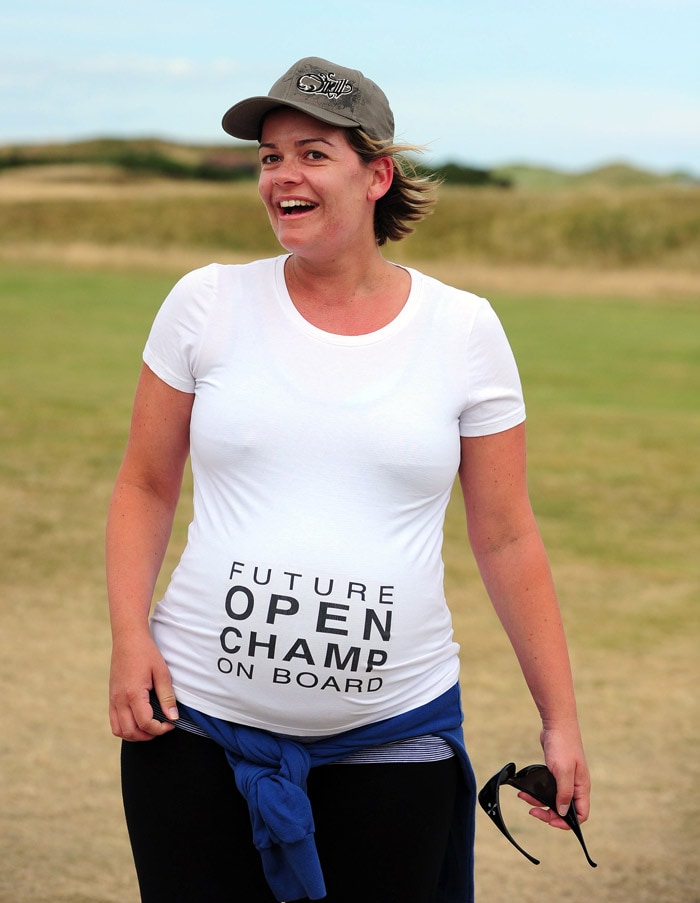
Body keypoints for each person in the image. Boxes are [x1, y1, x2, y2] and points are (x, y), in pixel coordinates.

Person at [106, 56, 591, 903]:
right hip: (194, 734)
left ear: (377, 175)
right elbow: (145, 485)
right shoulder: (206, 302)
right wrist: (127, 638)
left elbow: (506, 531)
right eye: (268, 157)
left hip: (393, 740)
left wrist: (560, 719)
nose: (282, 175)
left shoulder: (463, 329)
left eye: (311, 152)